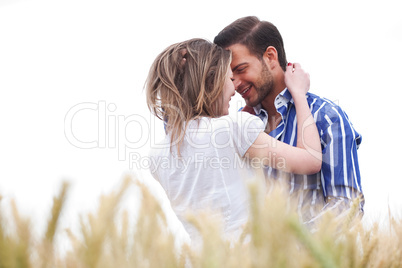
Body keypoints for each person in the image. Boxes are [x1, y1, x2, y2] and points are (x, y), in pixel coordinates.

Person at [146, 38, 321, 245]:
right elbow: (311, 159)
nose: (234, 89)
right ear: (211, 82)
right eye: (229, 79)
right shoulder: (233, 128)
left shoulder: (156, 157)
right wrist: (299, 94)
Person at [214, 16, 364, 226]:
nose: (236, 84)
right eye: (230, 76)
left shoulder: (327, 117)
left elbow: (347, 206)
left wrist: (292, 248)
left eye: (241, 69)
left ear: (270, 56)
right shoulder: (240, 124)